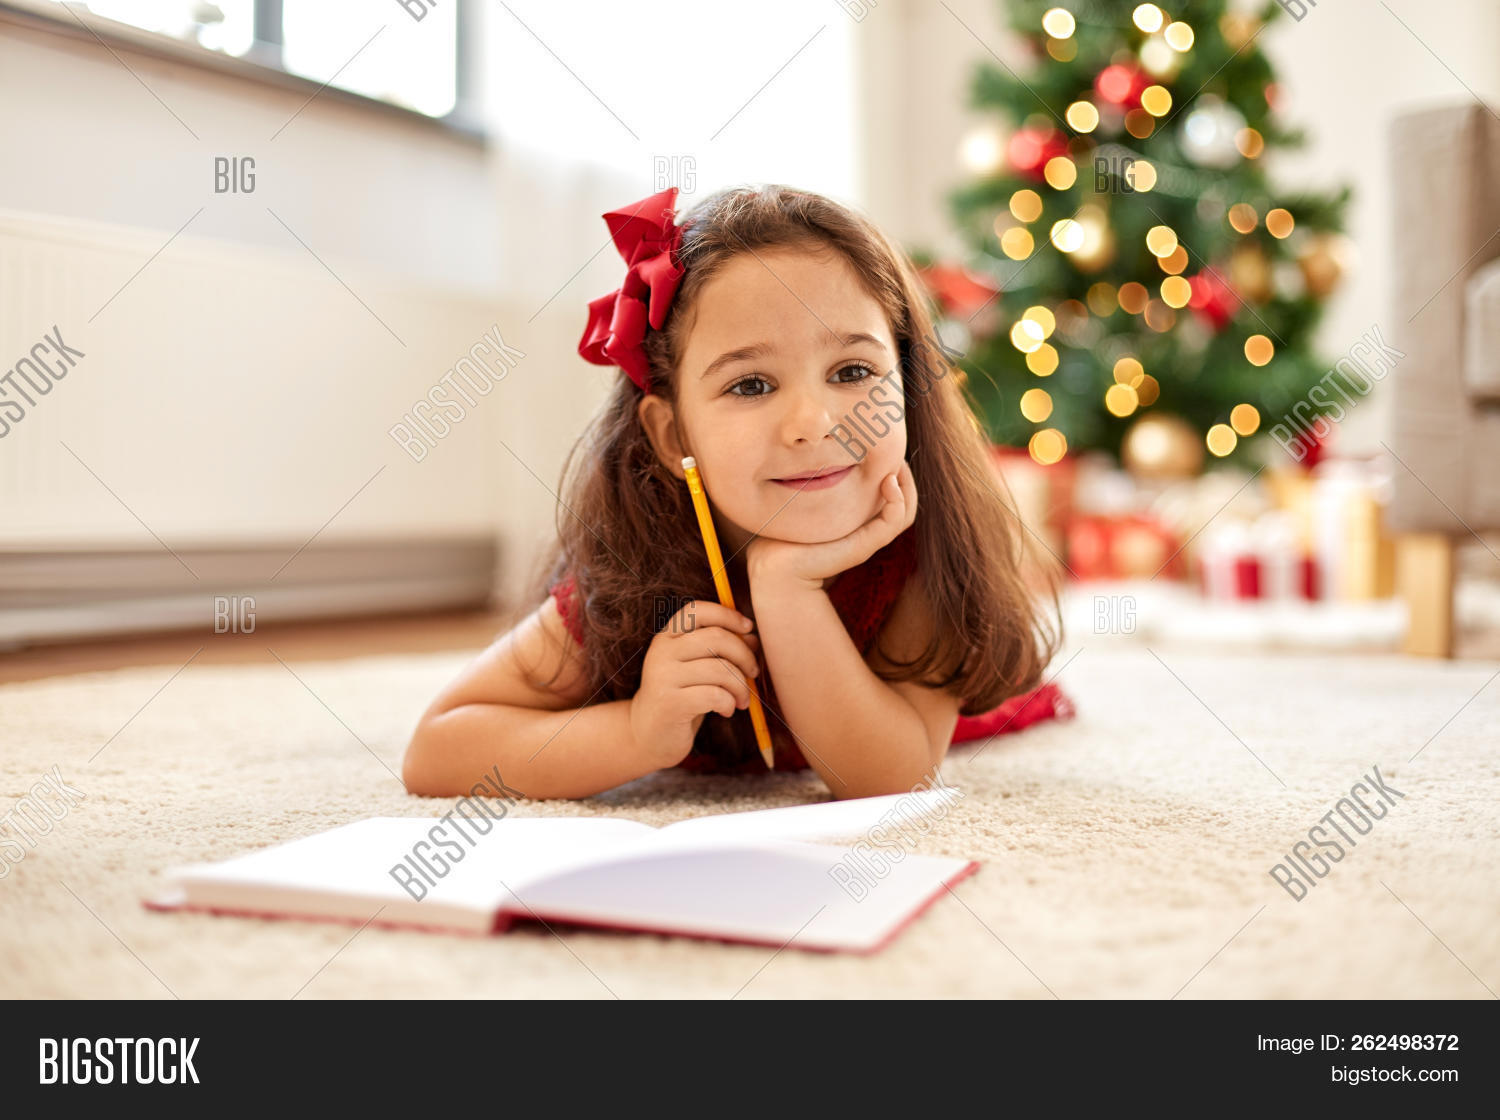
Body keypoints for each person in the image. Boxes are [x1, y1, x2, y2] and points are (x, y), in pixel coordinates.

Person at [403, 184, 1070, 802]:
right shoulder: (635, 573)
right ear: (671, 434)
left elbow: (890, 778)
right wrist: (635, 733)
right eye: (751, 385)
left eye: (853, 370)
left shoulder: (920, 550)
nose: (813, 423)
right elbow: (437, 750)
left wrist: (787, 588)